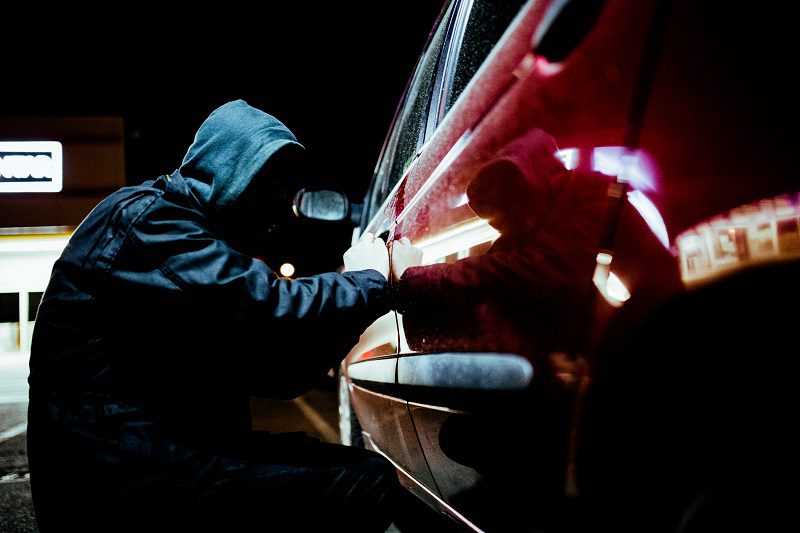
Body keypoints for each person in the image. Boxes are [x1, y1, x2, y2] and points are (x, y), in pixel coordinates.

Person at [27, 99, 419, 532]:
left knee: (326, 469)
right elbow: (271, 310)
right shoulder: (150, 221)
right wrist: (369, 278)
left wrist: (347, 308)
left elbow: (278, 371)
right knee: (364, 483)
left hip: (133, 456)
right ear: (230, 172)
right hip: (116, 472)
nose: (276, 217)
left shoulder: (173, 232)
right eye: (269, 189)